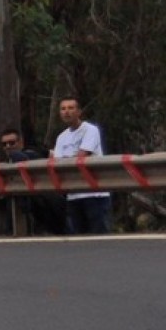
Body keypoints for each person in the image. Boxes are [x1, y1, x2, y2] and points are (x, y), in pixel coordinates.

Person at [53, 96, 109, 234]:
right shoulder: (61, 137)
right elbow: (58, 164)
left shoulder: (90, 130)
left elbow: (82, 156)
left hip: (94, 194)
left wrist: (66, 160)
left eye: (71, 108)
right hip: (73, 194)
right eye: (63, 109)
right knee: (79, 238)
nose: (67, 112)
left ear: (79, 112)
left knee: (98, 236)